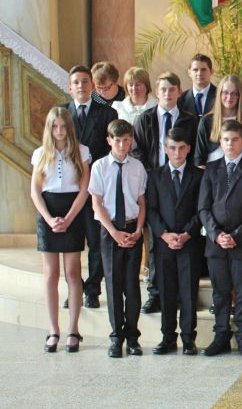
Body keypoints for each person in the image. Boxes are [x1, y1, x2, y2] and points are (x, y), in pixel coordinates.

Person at [198, 120, 242, 358]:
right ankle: (221, 335)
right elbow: (203, 207)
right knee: (220, 292)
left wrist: (236, 235)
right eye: (226, 140)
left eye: (235, 140)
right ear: (220, 141)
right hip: (216, 243)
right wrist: (217, 235)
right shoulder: (211, 169)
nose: (230, 144)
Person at [133, 71, 198, 314]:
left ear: (179, 92)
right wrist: (153, 175)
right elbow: (137, 150)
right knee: (155, 240)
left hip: (183, 180)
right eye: (163, 89)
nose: (167, 93)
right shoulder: (145, 118)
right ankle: (155, 293)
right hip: (156, 181)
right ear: (156, 92)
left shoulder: (190, 120)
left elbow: (195, 149)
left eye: (172, 89)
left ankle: (182, 294)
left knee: (183, 236)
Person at [30, 107, 91, 353]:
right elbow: (35, 191)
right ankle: (53, 330)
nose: (59, 130)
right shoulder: (40, 153)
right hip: (48, 211)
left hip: (72, 211)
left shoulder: (82, 151)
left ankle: (73, 330)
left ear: (69, 127)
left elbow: (84, 189)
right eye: (54, 126)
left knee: (73, 273)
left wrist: (68, 218)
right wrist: (49, 219)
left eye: (63, 126)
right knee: (50, 274)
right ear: (49, 128)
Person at [87, 119, 148, 358]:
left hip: (133, 229)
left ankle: (133, 337)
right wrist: (114, 232)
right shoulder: (100, 167)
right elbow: (97, 204)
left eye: (126, 140)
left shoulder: (138, 167)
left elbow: (141, 202)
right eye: (118, 140)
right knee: (113, 285)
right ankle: (116, 337)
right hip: (109, 230)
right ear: (109, 141)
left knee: (132, 286)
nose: (122, 145)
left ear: (131, 141)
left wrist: (139, 230)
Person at [62, 65, 118, 308]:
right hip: (68, 189)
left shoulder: (107, 113)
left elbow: (110, 151)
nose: (81, 86)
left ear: (93, 86)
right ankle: (73, 289)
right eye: (76, 82)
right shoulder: (61, 113)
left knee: (96, 241)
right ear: (69, 87)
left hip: (96, 187)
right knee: (71, 242)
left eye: (85, 81)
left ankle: (93, 289)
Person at [146, 127, 204, 356]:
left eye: (181, 148)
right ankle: (168, 337)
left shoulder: (198, 175)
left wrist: (187, 233)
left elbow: (202, 209)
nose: (177, 153)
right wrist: (164, 234)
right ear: (165, 149)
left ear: (188, 148)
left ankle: (188, 339)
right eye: (172, 148)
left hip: (189, 242)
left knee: (188, 292)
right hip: (164, 244)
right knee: (166, 291)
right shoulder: (155, 176)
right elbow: (151, 209)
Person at [195, 74, 242, 167]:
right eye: (225, 93)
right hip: (210, 172)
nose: (229, 97)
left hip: (240, 173)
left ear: (239, 96)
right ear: (219, 94)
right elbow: (199, 158)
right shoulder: (206, 121)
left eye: (234, 93)